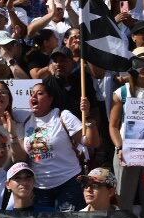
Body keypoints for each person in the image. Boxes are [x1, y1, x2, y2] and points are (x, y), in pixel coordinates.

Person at [21, 79, 96, 210]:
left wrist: (88, 115)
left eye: (40, 93)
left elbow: (91, 142)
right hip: (39, 189)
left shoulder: (62, 116)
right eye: (31, 94)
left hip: (68, 184)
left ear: (50, 99)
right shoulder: (25, 120)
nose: (34, 96)